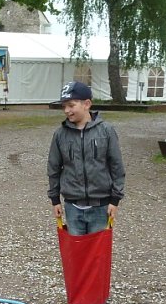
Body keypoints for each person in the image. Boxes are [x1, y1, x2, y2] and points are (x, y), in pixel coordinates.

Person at [47, 81, 125, 235]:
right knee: (78, 253)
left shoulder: (106, 131)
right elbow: (53, 168)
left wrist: (115, 200)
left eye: (71, 105)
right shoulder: (60, 135)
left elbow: (116, 166)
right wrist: (55, 200)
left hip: (101, 207)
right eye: (64, 106)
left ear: (87, 104)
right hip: (73, 208)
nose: (67, 110)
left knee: (96, 255)